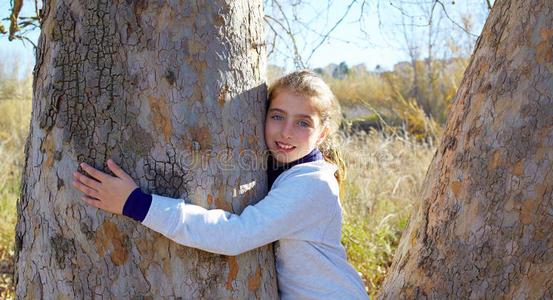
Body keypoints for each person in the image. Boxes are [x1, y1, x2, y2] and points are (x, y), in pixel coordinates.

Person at [71, 70, 369, 299]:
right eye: (277, 116)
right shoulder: (285, 169)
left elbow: (234, 235)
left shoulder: (312, 184)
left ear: (321, 135)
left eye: (303, 123)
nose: (287, 131)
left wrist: (136, 203)